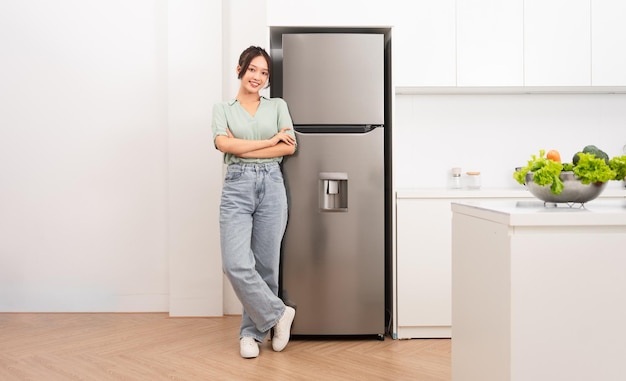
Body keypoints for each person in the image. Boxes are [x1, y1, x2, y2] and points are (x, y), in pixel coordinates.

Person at [211, 46, 297, 359]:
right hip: (237, 186)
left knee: (265, 266)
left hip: (272, 185)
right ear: (240, 69)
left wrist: (243, 147)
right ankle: (279, 314)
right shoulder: (223, 108)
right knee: (234, 263)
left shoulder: (277, 106)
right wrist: (269, 140)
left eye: (264, 73)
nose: (257, 77)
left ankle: (251, 334)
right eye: (253, 70)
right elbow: (222, 143)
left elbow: (288, 148)